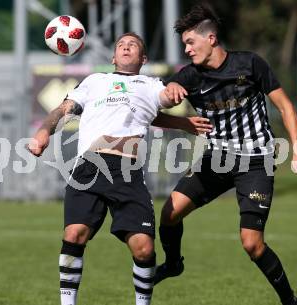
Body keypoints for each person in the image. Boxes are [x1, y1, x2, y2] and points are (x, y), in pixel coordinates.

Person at [151, 4, 297, 305]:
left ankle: (290, 301)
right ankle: (174, 263)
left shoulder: (249, 64)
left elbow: (285, 106)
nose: (186, 50)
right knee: (169, 214)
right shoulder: (187, 77)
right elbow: (148, 113)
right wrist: (181, 118)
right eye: (184, 44)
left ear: (211, 38)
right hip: (216, 159)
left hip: (256, 161)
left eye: (190, 42)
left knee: (252, 244)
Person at [27, 32, 208, 305]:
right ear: (113, 57)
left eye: (132, 45)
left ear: (143, 58)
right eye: (121, 45)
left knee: (144, 248)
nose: (125, 47)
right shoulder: (94, 82)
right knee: (74, 234)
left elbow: (162, 101)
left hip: (126, 170)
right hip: (88, 167)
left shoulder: (148, 84)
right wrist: (44, 132)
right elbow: (63, 109)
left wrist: (174, 97)